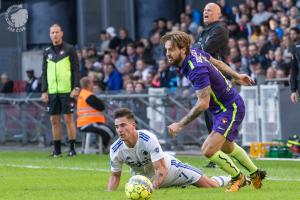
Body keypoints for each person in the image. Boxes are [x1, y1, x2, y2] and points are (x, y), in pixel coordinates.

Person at [161, 31, 266, 192]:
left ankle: (238, 178)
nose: (167, 54)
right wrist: (237, 75)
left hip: (230, 107)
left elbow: (203, 104)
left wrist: (180, 124)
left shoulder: (196, 69)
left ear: (183, 49)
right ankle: (255, 173)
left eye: (171, 50)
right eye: (166, 50)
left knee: (208, 150)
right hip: (220, 108)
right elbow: (217, 62)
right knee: (227, 147)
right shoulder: (194, 51)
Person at [107, 108, 231, 191]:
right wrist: (109, 195)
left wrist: (150, 190)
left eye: (123, 125)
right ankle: (180, 187)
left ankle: (235, 179)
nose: (119, 130)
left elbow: (161, 169)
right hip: (145, 180)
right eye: (117, 127)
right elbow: (115, 176)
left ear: (133, 125)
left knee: (210, 186)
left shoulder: (147, 138)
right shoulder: (115, 149)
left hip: (172, 171)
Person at [194, 3, 230, 168]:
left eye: (209, 10)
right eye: (204, 10)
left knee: (218, 116)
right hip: (206, 78)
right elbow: (194, 51)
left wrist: (196, 49)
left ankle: (222, 152)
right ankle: (215, 154)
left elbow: (203, 50)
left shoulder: (220, 29)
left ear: (218, 14)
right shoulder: (203, 32)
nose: (205, 12)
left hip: (218, 78)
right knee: (209, 116)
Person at [41, 24, 80, 157]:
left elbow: (75, 69)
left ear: (61, 33)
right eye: (52, 32)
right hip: (52, 91)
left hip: (66, 90)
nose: (55, 35)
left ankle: (72, 149)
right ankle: (57, 150)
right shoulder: (46, 51)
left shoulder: (69, 49)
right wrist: (44, 91)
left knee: (68, 119)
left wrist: (76, 87)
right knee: (54, 121)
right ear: (49, 34)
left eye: (57, 32)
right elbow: (44, 73)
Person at [77, 77, 115, 151]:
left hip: (84, 123)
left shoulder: (83, 94)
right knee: (110, 132)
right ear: (88, 84)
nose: (93, 85)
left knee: (108, 131)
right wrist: (101, 101)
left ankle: (102, 147)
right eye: (92, 83)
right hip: (89, 122)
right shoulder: (88, 96)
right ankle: (105, 149)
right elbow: (101, 107)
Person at [290, 27, 300, 104]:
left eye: (294, 33)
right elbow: (294, 70)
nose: (292, 35)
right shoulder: (294, 48)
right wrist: (293, 90)